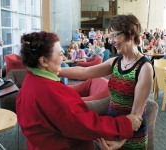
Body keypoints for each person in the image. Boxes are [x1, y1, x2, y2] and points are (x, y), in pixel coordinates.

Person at [16, 31, 142, 150]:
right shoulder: (51, 93)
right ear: (43, 61)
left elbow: (84, 72)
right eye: (60, 54)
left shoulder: (31, 81)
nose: (64, 57)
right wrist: (124, 125)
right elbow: (83, 124)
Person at [60, 14, 153, 150]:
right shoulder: (116, 62)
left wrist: (121, 141)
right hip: (113, 127)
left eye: (116, 35)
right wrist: (56, 70)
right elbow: (84, 72)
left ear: (132, 34)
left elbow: (136, 114)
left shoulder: (144, 67)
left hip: (131, 135)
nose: (112, 41)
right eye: (111, 37)